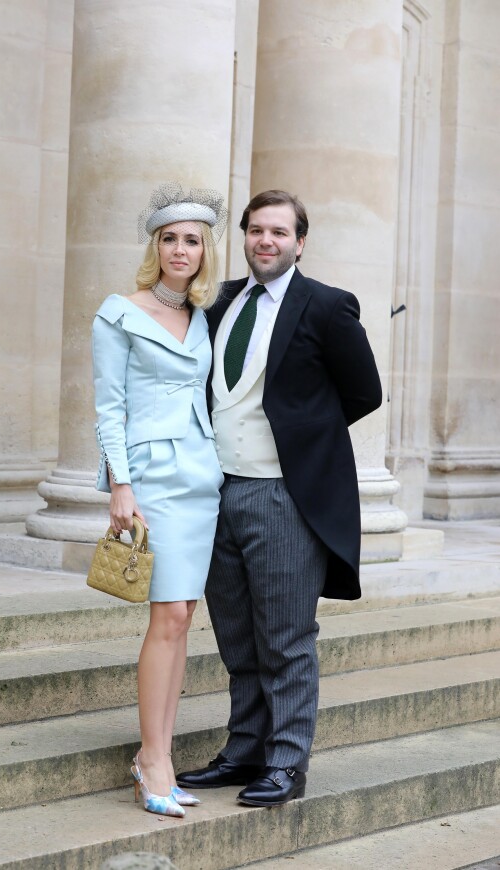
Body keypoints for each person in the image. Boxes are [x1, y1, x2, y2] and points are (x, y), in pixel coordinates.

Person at [177, 189, 382, 807]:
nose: (266, 241)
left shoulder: (325, 305)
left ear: (299, 241)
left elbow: (363, 392)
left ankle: (287, 763)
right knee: (237, 636)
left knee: (287, 638)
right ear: (244, 237)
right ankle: (245, 750)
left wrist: (301, 439)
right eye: (256, 230)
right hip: (218, 495)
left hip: (283, 499)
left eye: (278, 232)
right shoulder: (218, 303)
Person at [92, 183, 227, 817]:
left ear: (206, 250)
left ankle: (159, 756)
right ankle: (152, 761)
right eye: (169, 238)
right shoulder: (118, 312)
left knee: (181, 618)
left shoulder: (204, 316)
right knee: (166, 617)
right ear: (156, 247)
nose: (180, 249)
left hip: (201, 478)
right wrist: (120, 485)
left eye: (192, 239)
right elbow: (108, 406)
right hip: (148, 477)